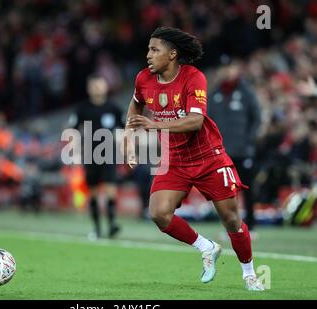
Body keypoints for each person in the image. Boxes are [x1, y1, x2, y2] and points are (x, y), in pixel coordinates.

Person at [124, 26, 265, 291]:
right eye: (148, 49)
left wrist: (154, 126)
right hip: (175, 159)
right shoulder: (143, 79)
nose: (148, 55)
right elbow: (135, 104)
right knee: (158, 213)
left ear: (173, 54)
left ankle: (249, 273)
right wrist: (128, 139)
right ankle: (207, 247)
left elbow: (195, 121)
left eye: (155, 50)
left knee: (231, 219)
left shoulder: (194, 78)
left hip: (208, 157)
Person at [208, 55, 261, 235]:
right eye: (224, 68)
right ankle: (232, 226)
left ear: (236, 69)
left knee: (248, 188)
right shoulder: (215, 94)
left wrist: (249, 140)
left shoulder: (246, 91)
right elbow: (207, 122)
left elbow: (256, 117)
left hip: (243, 150)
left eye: (230, 67)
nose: (227, 71)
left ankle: (251, 226)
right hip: (222, 153)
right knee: (227, 192)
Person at [70, 74, 123, 239]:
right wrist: (74, 152)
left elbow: (124, 129)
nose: (97, 88)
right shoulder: (82, 109)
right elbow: (72, 130)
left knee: (110, 190)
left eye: (100, 85)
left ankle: (112, 224)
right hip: (90, 155)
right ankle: (97, 228)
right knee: (92, 192)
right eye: (94, 85)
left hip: (109, 154)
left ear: (106, 87)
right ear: (89, 88)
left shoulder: (114, 108)